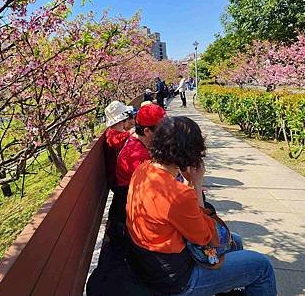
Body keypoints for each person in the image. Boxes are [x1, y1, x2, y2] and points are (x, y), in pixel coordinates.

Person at [126, 116, 277, 295]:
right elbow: (206, 238)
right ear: (190, 152)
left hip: (149, 263)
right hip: (177, 280)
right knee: (261, 266)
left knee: (235, 241)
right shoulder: (178, 194)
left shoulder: (143, 169)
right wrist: (197, 183)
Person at [112, 104, 166, 224]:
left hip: (140, 198)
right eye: (163, 129)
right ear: (147, 131)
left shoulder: (141, 142)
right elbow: (157, 190)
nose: (167, 133)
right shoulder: (136, 154)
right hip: (135, 209)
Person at [104, 101, 135, 190]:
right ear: (121, 121)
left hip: (120, 177)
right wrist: (129, 133)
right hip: (118, 180)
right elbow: (115, 142)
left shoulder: (116, 132)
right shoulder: (111, 134)